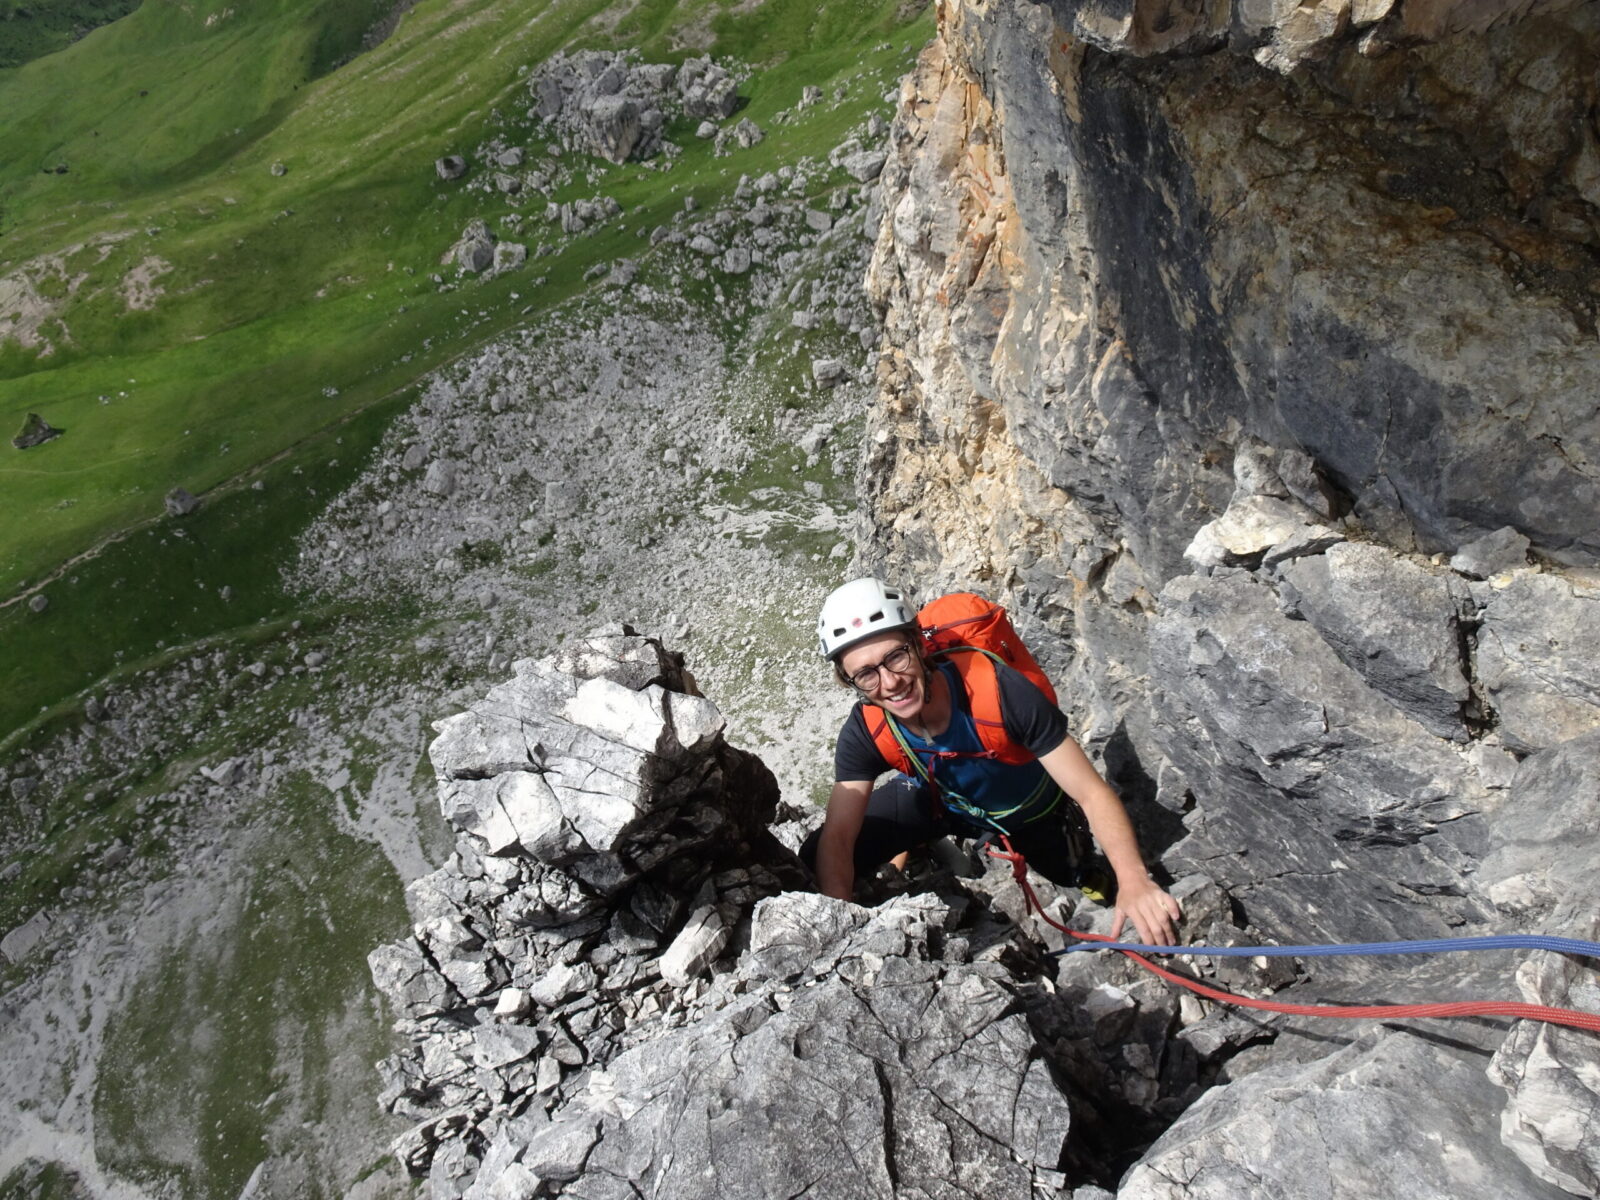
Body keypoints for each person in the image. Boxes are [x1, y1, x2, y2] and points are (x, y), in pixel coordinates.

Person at [805, 577, 1183, 947]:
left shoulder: (1000, 692)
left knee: (1071, 874)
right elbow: (839, 836)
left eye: (896, 657)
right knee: (813, 853)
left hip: (1030, 812)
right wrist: (841, 927)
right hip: (945, 803)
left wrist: (1134, 880)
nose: (889, 683)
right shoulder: (866, 730)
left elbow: (1091, 793)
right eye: (867, 674)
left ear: (918, 645)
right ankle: (922, 847)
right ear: (851, 682)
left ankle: (1084, 869)